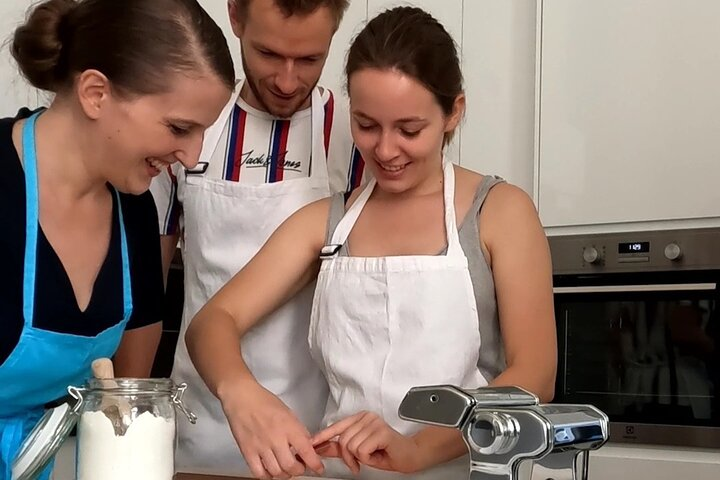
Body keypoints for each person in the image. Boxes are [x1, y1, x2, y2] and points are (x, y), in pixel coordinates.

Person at [186, 5, 557, 480]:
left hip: (466, 471)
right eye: (366, 125)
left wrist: (418, 449)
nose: (385, 150)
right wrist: (241, 392)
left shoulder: (499, 212)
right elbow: (213, 321)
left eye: (409, 129)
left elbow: (534, 377)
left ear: (453, 113)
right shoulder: (325, 222)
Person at [0, 0, 233, 478]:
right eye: (179, 128)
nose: (190, 157)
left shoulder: (134, 212)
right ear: (95, 93)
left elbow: (123, 404)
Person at [149, 0, 365, 476]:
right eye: (267, 54)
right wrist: (127, 414)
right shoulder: (190, 126)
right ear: (236, 17)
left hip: (322, 441)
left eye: (309, 59)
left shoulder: (361, 137)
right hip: (201, 429)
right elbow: (149, 290)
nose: (288, 81)